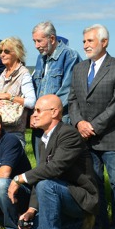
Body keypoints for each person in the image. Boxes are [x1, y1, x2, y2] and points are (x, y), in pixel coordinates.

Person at [8, 94, 98, 229]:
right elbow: (42, 172)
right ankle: (78, 225)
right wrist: (31, 210)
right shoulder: (45, 138)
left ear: (55, 112)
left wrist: (19, 178)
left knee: (45, 185)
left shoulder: (68, 134)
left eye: (38, 110)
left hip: (80, 197)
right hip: (57, 191)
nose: (33, 114)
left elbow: (55, 168)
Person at [68, 24, 115, 229]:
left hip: (112, 137)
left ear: (104, 42)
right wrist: (79, 124)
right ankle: (99, 225)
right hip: (86, 139)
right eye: (84, 41)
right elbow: (72, 100)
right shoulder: (79, 68)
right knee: (94, 184)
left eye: (90, 41)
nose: (85, 45)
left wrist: (93, 126)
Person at [30, 21, 81, 161]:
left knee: (56, 163)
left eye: (39, 41)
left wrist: (46, 112)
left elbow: (68, 90)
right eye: (34, 41)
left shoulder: (70, 56)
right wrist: (35, 113)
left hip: (60, 120)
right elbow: (36, 87)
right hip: (41, 120)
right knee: (41, 162)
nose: (36, 46)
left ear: (52, 39)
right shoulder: (40, 58)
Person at [0, 37, 36, 146]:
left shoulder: (24, 74)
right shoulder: (3, 74)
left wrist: (9, 97)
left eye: (6, 51)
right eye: (0, 51)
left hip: (14, 133)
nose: (2, 54)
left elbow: (31, 102)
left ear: (17, 52)